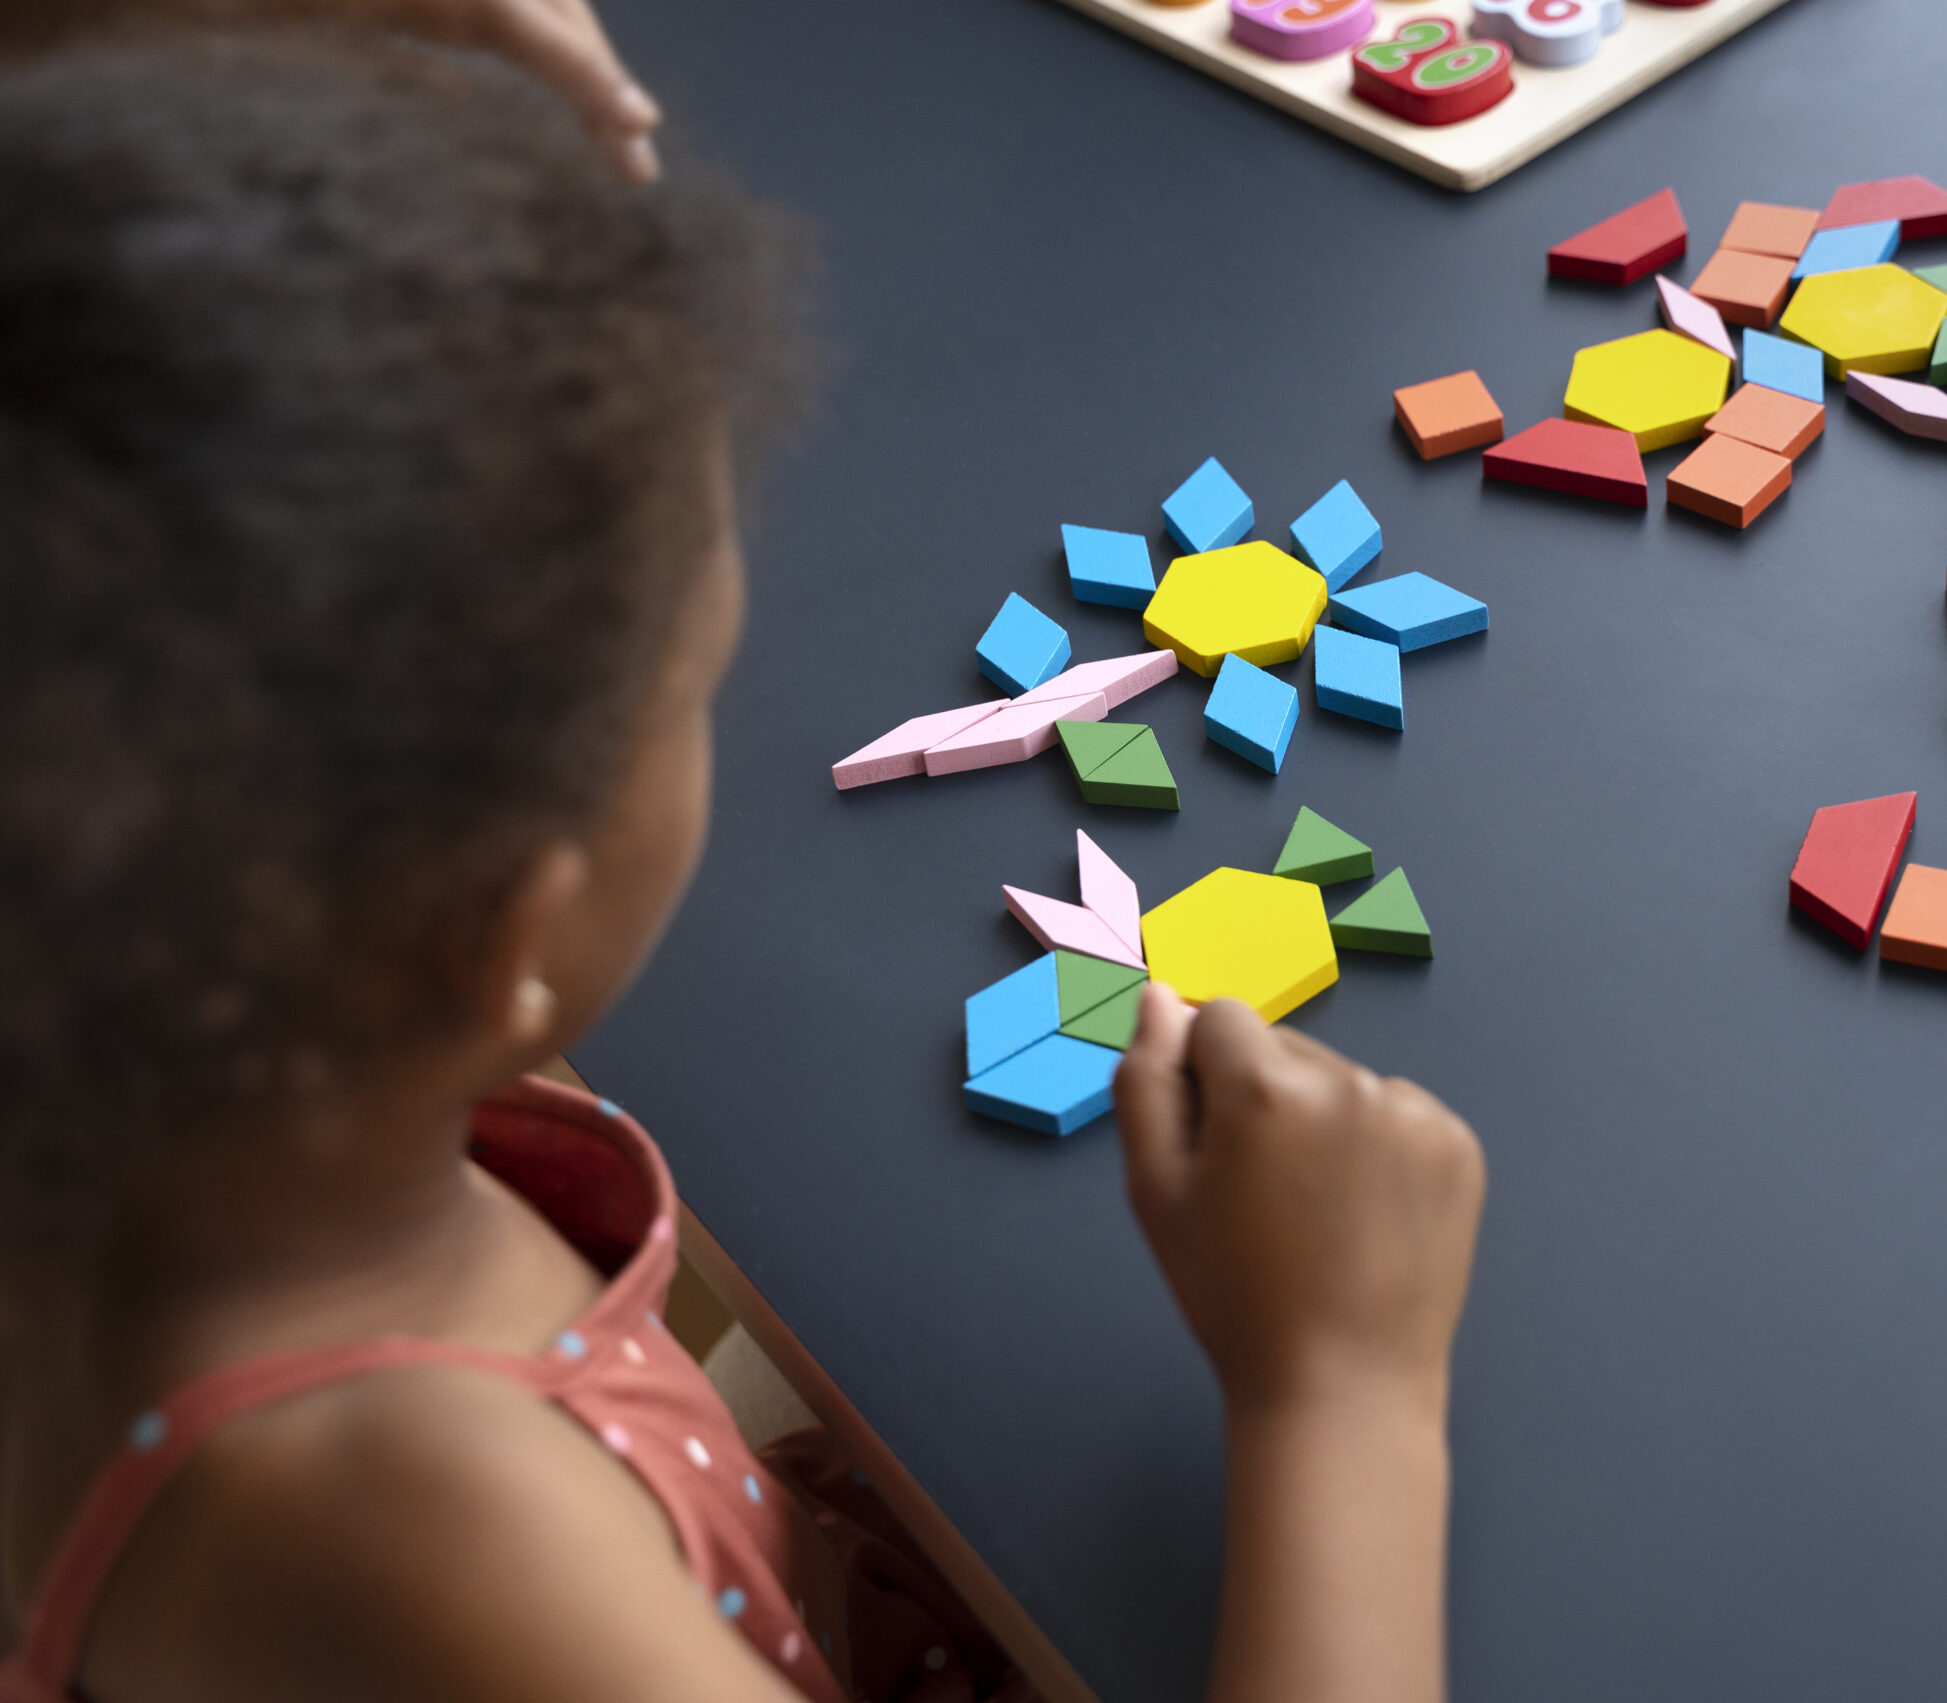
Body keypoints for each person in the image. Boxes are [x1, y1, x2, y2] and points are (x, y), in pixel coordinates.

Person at [0, 9, 1487, 1703]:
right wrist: (1344, 1401)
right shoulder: (431, 1544)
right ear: (500, 935)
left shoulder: (155, 1061)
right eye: (695, 685)